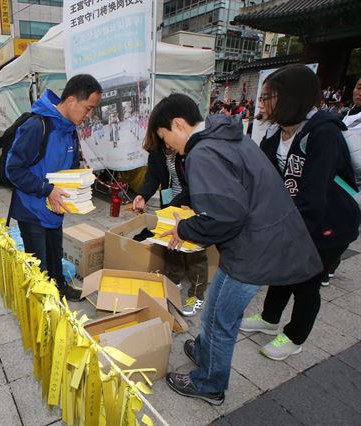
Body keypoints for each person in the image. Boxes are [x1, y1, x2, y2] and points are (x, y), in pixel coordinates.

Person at [148, 94, 321, 405]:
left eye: (165, 139)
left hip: (254, 248)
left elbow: (225, 217)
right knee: (215, 305)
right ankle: (205, 352)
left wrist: (185, 228)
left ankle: (210, 383)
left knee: (220, 319)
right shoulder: (225, 136)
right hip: (258, 239)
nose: (169, 148)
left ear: (177, 124)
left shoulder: (203, 153)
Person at [240, 65, 360, 359]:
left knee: (305, 280)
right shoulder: (272, 134)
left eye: (269, 97)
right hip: (294, 218)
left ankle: (295, 337)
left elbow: (314, 198)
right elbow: (261, 181)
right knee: (284, 270)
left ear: (291, 98)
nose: (262, 103)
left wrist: (277, 232)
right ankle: (269, 319)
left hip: (329, 223)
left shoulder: (323, 133)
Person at [5, 74, 102, 302]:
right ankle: (46, 308)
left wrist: (81, 179)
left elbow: (67, 168)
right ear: (71, 101)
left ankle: (60, 288)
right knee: (40, 268)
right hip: (32, 210)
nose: (89, 116)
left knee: (55, 255)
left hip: (55, 209)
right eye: (88, 109)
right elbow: (14, 169)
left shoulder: (69, 130)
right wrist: (47, 190)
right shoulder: (36, 126)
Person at [132, 133, 209, 317]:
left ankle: (196, 295)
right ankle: (174, 281)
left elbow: (196, 185)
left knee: (195, 252)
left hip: (191, 204)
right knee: (171, 244)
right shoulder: (157, 151)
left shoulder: (191, 150)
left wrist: (177, 205)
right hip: (171, 206)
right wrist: (143, 195)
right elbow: (152, 177)